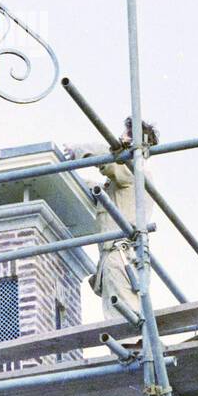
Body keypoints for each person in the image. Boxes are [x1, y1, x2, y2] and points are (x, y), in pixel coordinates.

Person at [63, 118, 158, 319]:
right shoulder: (126, 181)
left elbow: (105, 155)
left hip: (120, 255)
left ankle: (131, 348)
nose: (120, 138)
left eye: (125, 136)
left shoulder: (134, 170)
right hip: (120, 256)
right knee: (121, 318)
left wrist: (78, 150)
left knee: (124, 321)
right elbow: (103, 194)